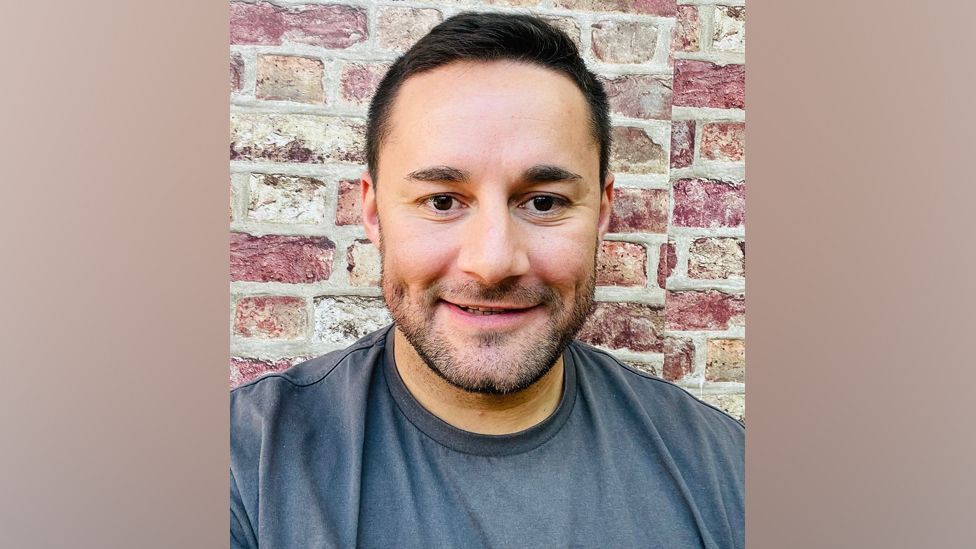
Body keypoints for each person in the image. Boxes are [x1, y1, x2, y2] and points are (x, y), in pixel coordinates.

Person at [230, 12, 744, 548]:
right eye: (442, 201)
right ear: (375, 212)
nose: (493, 262)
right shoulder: (248, 466)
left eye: (544, 202)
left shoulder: (724, 470)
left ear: (603, 211)